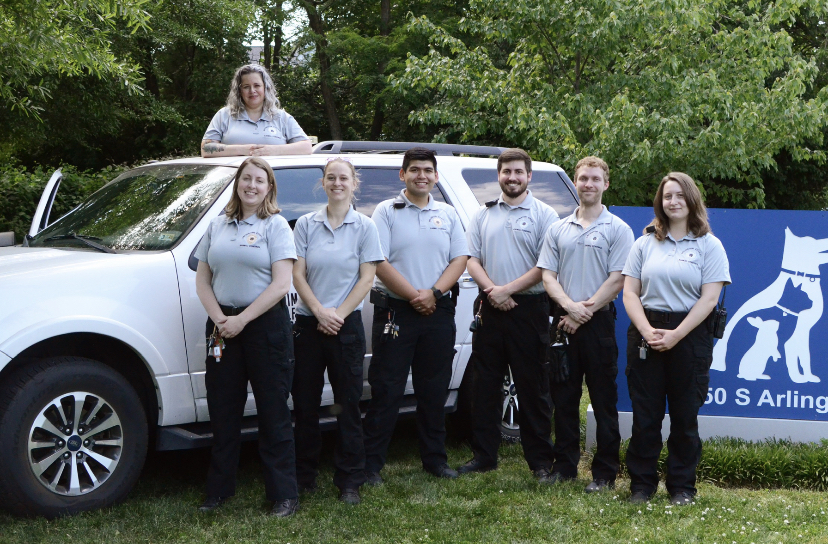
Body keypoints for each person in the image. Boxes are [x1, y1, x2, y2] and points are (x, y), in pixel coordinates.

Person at [193, 157, 300, 517]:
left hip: (265, 327)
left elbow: (281, 284)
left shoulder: (276, 225)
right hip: (222, 326)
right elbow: (202, 279)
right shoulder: (218, 225)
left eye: (260, 180)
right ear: (237, 183)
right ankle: (218, 491)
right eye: (246, 179)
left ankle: (284, 494)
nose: (251, 186)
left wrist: (243, 320)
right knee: (223, 413)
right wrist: (221, 318)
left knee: (273, 413)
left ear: (269, 188)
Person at [622, 172, 730, 505]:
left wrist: (677, 335)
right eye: (668, 196)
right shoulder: (644, 243)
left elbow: (709, 299)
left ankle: (682, 487)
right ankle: (641, 485)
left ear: (692, 200)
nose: (674, 201)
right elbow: (629, 292)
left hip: (690, 335)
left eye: (680, 195)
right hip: (647, 333)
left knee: (685, 417)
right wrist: (646, 331)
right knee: (645, 417)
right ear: (660, 202)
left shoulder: (709, 245)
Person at [362, 147, 469, 484]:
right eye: (414, 170)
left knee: (433, 390)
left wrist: (433, 293)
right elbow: (378, 260)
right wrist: (413, 296)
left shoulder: (449, 214)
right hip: (396, 311)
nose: (421, 175)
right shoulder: (386, 210)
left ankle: (435, 460)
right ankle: (371, 466)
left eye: (427, 170)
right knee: (387, 390)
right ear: (402, 175)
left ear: (436, 177)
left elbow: (460, 258)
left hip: (438, 310)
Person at [456, 148, 559, 482]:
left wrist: (507, 291)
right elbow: (472, 258)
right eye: (506, 172)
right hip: (490, 307)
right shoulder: (483, 215)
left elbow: (546, 267)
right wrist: (492, 291)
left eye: (518, 172)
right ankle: (484, 456)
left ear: (529, 176)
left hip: (528, 309)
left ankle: (541, 462)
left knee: (533, 388)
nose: (512, 177)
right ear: (498, 175)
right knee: (484, 386)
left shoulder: (545, 215)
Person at [291, 158, 384, 505]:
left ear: (353, 183)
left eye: (343, 177)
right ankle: (304, 477)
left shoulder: (365, 227)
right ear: (323, 183)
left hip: (346, 327)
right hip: (308, 324)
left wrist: (338, 316)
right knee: (305, 405)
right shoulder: (305, 224)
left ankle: (349, 481)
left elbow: (366, 277)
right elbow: (297, 274)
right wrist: (318, 311)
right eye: (331, 177)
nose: (337, 183)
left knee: (347, 404)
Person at [538, 156, 634, 492]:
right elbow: (548, 276)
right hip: (562, 322)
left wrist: (584, 311)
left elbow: (618, 278)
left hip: (598, 324)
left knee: (604, 400)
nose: (588, 184)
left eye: (595, 179)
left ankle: (605, 473)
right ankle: (564, 467)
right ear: (575, 183)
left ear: (606, 184)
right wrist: (569, 307)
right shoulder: (558, 229)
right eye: (583, 178)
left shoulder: (618, 229)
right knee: (562, 399)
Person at [201, 64, 312, 158]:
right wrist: (244, 150)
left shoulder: (282, 117)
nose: (252, 91)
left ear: (265, 88)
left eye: (257, 85)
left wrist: (272, 151)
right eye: (246, 87)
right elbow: (206, 148)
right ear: (239, 91)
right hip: (233, 182)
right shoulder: (224, 115)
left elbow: (306, 147)